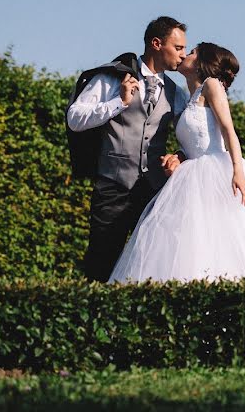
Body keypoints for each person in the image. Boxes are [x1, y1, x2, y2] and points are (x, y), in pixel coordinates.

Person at [109, 42, 245, 283]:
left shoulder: (211, 86)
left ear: (202, 63)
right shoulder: (186, 98)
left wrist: (238, 171)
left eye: (191, 53)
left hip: (216, 170)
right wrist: (178, 156)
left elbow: (228, 130)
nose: (185, 55)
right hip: (190, 176)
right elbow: (195, 141)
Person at [67, 16, 190, 282]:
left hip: (153, 193)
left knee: (148, 265)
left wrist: (179, 155)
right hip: (112, 187)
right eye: (178, 48)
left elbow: (192, 137)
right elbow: (75, 118)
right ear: (157, 44)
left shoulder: (176, 93)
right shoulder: (112, 77)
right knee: (101, 263)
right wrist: (119, 103)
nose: (183, 55)